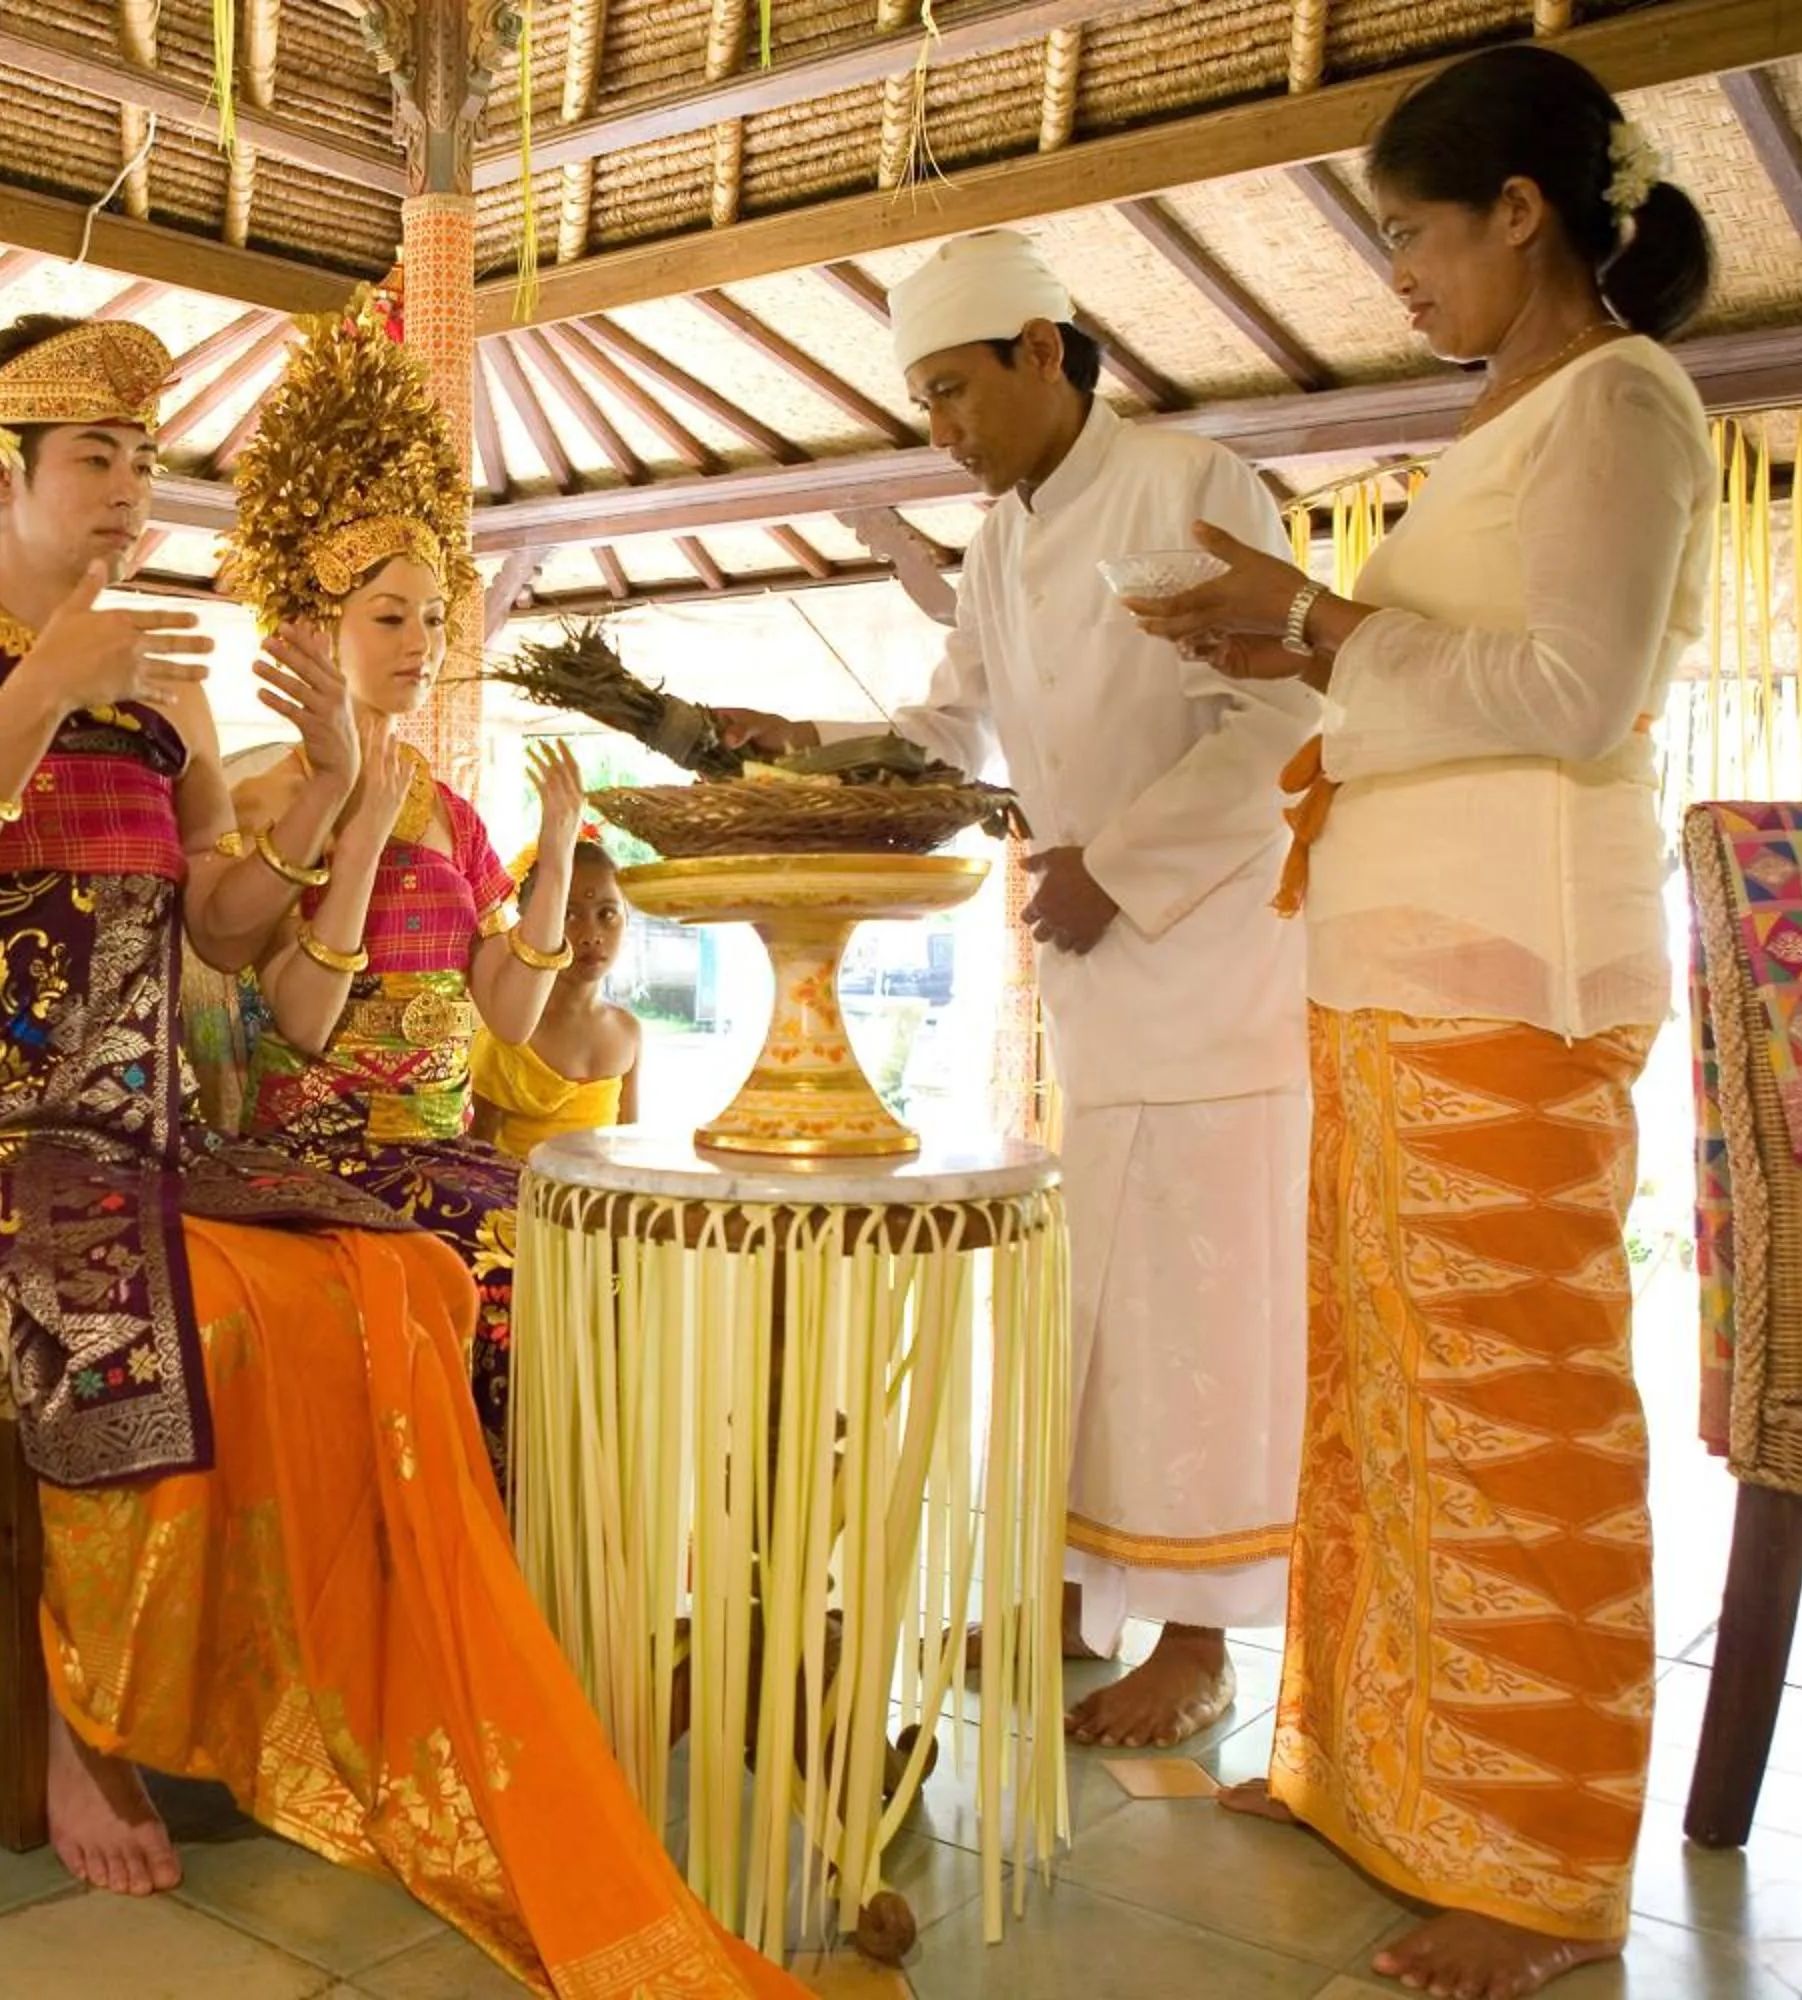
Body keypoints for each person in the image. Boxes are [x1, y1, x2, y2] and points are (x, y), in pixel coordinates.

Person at [0, 308, 800, 1994]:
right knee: (195, 1319)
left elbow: (219, 932)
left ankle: (340, 1671)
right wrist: (41, 691)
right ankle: (86, 1719)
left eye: (144, 459)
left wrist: (335, 787)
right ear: (1, 471)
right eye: (96, 458)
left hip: (151, 1136)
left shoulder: (161, 710)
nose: (132, 489)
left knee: (398, 1273)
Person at [1125, 44, 1718, 1999]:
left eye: (1411, 233)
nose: (1398, 274)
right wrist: (1306, 635)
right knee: (1380, 1405)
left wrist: (1309, 627)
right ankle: (1372, 1779)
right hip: (1393, 976)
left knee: (1513, 1422)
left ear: (1522, 214)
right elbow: (1429, 679)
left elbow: (1566, 689)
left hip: (1513, 987)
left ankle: (1544, 1872)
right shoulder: (1508, 421)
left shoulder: (1625, 404)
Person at [719, 226, 1316, 1752]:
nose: (941, 433)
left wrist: (1124, 860)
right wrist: (793, 754)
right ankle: (1065, 1590)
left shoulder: (1189, 484)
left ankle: (1197, 1640)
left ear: (1041, 352)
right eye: (921, 404)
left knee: (1199, 1305)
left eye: (952, 395)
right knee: (1077, 1302)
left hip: (1213, 956)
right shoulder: (994, 545)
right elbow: (949, 731)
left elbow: (1283, 720)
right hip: (1085, 968)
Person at [221, 298, 588, 1481]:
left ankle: (572, 1554)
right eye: (388, 616)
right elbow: (301, 1024)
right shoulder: (272, 795)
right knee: (509, 1256)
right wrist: (363, 822)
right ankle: (492, 1540)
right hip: (324, 1152)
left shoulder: (454, 806)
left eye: (433, 617)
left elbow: (513, 1015)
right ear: (321, 629)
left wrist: (561, 843)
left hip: (442, 1141)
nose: (419, 641)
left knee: (600, 1238)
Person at [470, 837, 642, 1160]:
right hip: (516, 1205)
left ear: (627, 919)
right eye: (568, 915)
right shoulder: (506, 1035)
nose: (591, 934)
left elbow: (627, 1153)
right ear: (533, 928)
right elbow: (478, 1161)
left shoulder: (628, 1033)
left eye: (607, 914)